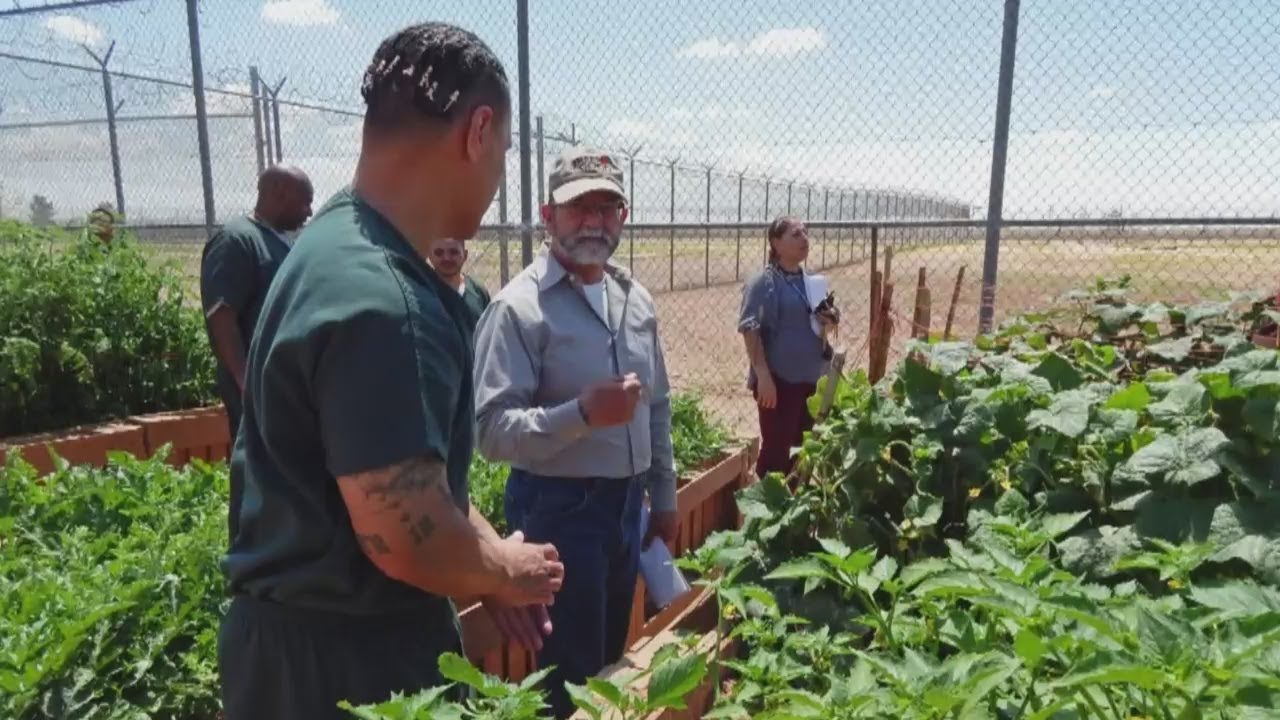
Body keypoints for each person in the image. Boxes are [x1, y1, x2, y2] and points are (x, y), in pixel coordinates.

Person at [216, 23, 564, 720]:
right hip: (349, 666)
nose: (499, 175)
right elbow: (405, 536)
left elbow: (399, 472)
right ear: (478, 130)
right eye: (503, 151)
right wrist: (507, 568)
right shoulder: (386, 299)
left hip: (289, 655)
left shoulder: (332, 246)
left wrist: (484, 553)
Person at [472, 145, 680, 719]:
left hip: (625, 506)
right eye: (577, 207)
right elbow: (491, 432)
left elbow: (657, 406)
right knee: (569, 679)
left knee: (609, 669)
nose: (593, 220)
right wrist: (581, 414)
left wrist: (661, 495)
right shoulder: (518, 310)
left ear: (624, 216)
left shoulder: (634, 300)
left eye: (606, 207)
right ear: (548, 216)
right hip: (559, 512)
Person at [199, 164, 313, 541]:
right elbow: (222, 317)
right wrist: (246, 380)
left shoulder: (280, 241)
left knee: (287, 476)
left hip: (284, 385)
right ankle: (248, 556)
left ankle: (284, 555)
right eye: (304, 202)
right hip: (255, 385)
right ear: (279, 192)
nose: (309, 212)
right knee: (256, 472)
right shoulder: (236, 240)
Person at [737, 216, 840, 483]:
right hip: (778, 384)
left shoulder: (811, 282)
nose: (804, 238)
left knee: (801, 454)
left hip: (810, 382)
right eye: (796, 234)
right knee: (776, 455)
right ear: (775, 242)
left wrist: (829, 319)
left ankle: (792, 516)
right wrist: (763, 376)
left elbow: (817, 321)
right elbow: (750, 328)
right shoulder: (763, 282)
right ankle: (765, 513)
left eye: (806, 233)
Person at [428, 236, 491, 330]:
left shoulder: (477, 291)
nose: (446, 258)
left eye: (453, 252)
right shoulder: (423, 290)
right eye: (439, 253)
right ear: (430, 256)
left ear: (465, 255)